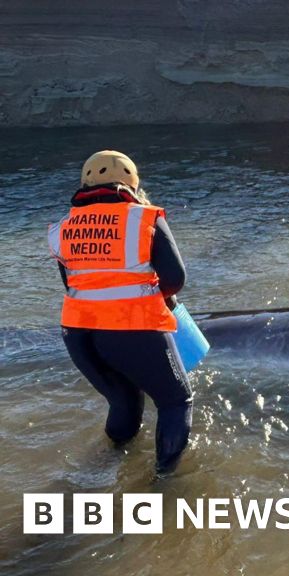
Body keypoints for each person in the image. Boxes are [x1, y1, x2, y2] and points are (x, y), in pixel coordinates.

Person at [47, 150, 193, 474]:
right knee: (175, 402)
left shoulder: (63, 228)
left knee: (124, 400)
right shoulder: (144, 217)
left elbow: (75, 285)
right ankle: (165, 484)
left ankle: (105, 465)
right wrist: (154, 295)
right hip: (132, 330)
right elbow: (175, 279)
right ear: (132, 184)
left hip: (78, 335)